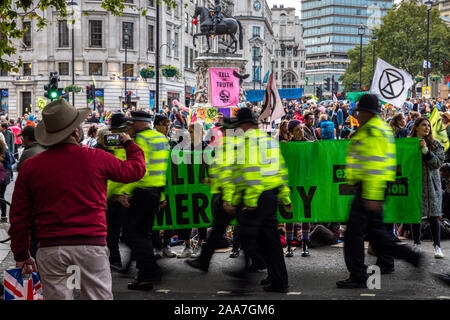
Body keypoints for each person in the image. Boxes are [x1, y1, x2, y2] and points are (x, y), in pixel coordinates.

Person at [8, 99, 146, 300]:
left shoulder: (31, 166)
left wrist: (21, 254)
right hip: (92, 245)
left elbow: (19, 215)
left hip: (51, 248)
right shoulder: (97, 157)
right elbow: (136, 170)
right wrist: (128, 143)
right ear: (75, 132)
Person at [337, 94, 422, 289]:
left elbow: (375, 166)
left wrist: (371, 195)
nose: (357, 115)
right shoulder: (377, 129)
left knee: (354, 234)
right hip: (371, 189)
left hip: (369, 189)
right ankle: (410, 256)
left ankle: (358, 274)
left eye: (359, 111)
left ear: (367, 112)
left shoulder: (372, 132)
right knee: (376, 234)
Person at [228, 107, 292, 293]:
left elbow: (252, 172)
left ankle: (243, 280)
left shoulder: (247, 141)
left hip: (257, 197)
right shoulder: (268, 140)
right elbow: (281, 170)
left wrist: (250, 200)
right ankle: (278, 280)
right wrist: (285, 198)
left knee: (247, 236)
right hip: (271, 195)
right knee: (270, 242)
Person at [120, 110, 170, 291]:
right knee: (145, 234)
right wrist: (162, 195)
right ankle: (144, 277)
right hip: (155, 192)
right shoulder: (161, 139)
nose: (129, 126)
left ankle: (152, 268)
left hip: (141, 191)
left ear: (139, 122)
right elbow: (163, 169)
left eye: (131, 122)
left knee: (130, 234)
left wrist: (126, 192)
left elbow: (140, 169)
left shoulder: (141, 140)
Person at [186, 117, 238, 271]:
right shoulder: (226, 146)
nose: (220, 131)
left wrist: (227, 199)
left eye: (223, 129)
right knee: (219, 230)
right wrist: (212, 180)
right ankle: (204, 261)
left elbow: (229, 175)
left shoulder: (231, 147)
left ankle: (204, 261)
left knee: (224, 231)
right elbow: (221, 171)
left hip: (229, 195)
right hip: (226, 193)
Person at [408, 117, 445, 259]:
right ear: (416, 127)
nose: (427, 127)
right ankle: (416, 243)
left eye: (428, 125)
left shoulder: (436, 144)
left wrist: (425, 151)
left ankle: (437, 246)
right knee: (415, 214)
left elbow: (437, 163)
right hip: (415, 183)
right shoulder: (408, 144)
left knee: (434, 215)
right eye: (423, 125)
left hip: (431, 185)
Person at [176, 123, 209, 259]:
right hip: (188, 188)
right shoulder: (185, 149)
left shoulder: (207, 148)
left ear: (201, 132)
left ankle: (200, 245)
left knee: (201, 217)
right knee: (186, 217)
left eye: (194, 131)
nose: (191, 133)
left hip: (202, 189)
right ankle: (187, 246)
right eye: (190, 131)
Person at [284, 120, 311, 258]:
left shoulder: (309, 145)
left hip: (305, 182)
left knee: (306, 214)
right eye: (297, 130)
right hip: (291, 183)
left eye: (301, 129)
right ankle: (289, 245)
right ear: (290, 133)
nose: (301, 131)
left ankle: (305, 244)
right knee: (289, 215)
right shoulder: (287, 146)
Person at [152, 114, 176, 258]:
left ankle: (166, 244)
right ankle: (156, 246)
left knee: (170, 215)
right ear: (156, 126)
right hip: (156, 185)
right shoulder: (152, 142)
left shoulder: (172, 143)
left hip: (170, 185)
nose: (167, 128)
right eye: (165, 125)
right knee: (155, 217)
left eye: (168, 125)